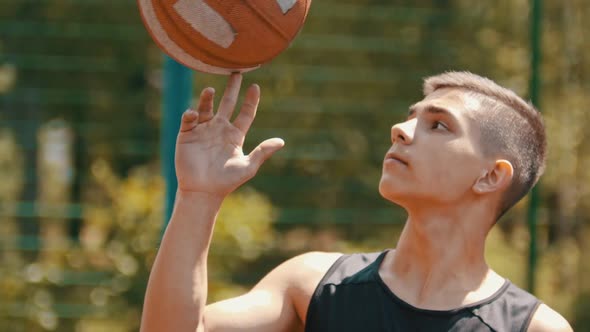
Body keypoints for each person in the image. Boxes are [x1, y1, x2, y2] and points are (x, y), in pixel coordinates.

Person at [139, 72, 573, 332]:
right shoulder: (312, 285)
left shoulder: (533, 328)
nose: (400, 130)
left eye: (439, 125)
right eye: (411, 116)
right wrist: (198, 196)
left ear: (491, 176)